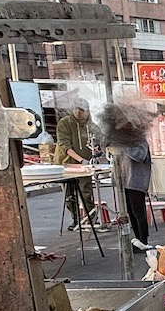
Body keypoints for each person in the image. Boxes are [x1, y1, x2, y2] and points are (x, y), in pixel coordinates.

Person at [100, 103, 154, 250]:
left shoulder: (138, 137)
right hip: (124, 179)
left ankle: (143, 241)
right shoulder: (121, 137)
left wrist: (122, 145)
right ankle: (137, 239)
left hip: (136, 180)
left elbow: (140, 155)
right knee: (130, 212)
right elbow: (104, 146)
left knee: (138, 212)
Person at [54, 98, 100, 231]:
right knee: (69, 194)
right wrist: (80, 159)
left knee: (86, 192)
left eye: (82, 110)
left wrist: (97, 150)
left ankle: (91, 219)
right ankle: (76, 219)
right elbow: (64, 145)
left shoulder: (92, 126)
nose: (79, 113)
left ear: (87, 111)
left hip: (85, 166)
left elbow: (99, 142)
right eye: (76, 110)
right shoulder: (65, 123)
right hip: (67, 164)